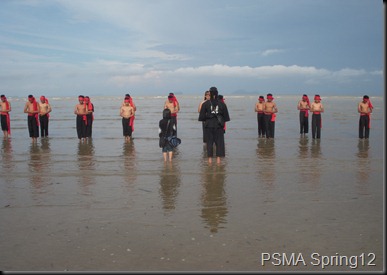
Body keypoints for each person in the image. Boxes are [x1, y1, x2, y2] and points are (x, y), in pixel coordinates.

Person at [198, 86, 230, 164]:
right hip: (219, 126)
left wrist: (209, 116)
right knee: (219, 144)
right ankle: (218, 163)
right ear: (217, 94)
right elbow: (226, 118)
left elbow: (201, 117)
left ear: (210, 94)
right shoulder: (222, 104)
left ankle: (210, 163)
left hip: (209, 126)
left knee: (209, 144)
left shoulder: (205, 104)